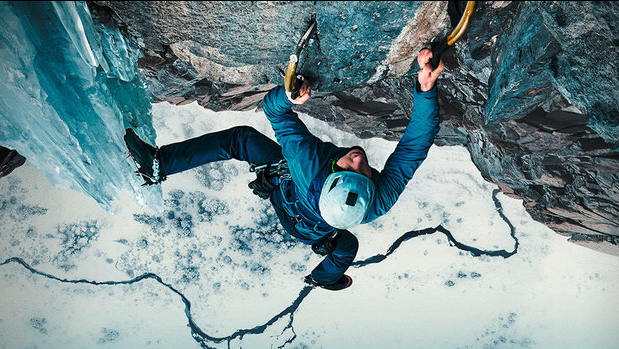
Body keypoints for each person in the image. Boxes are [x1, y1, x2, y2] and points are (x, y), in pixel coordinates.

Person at [125, 49, 444, 291]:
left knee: (241, 140)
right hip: (302, 203)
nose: (358, 158)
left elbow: (275, 112)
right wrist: (427, 89)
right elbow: (414, 148)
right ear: (372, 186)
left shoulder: (308, 163)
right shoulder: (378, 199)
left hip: (293, 198)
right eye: (363, 170)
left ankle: (158, 164)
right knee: (346, 245)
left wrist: (287, 95)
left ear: (333, 174)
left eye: (350, 165)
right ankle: (324, 276)